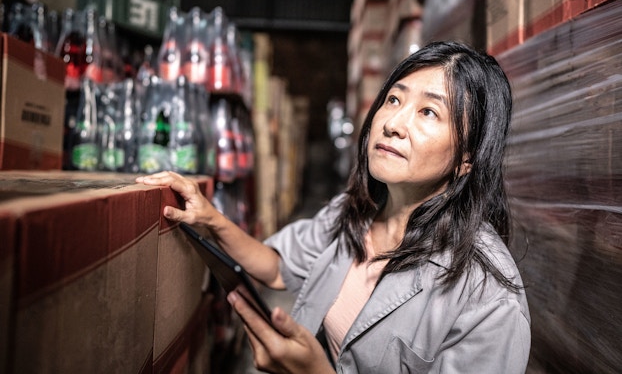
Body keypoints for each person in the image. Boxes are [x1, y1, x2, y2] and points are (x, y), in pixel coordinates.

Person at [136, 41, 531, 373]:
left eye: (428, 111)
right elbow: (277, 266)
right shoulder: (358, 210)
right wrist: (210, 219)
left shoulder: (489, 300)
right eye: (393, 99)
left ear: (467, 157)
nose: (392, 122)